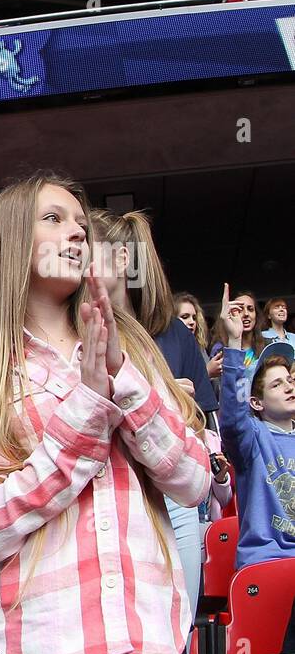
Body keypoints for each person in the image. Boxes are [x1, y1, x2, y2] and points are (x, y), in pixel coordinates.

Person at [0, 172, 210, 654]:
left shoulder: (137, 349)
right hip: (33, 628)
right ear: (13, 241)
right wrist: (88, 408)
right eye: (53, 218)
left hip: (142, 621)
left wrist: (118, 374)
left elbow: (194, 480)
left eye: (80, 223)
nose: (75, 231)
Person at [89, 208, 213, 628]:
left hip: (173, 499)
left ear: (122, 260)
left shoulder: (172, 333)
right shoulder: (77, 330)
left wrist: (172, 401)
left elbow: (203, 428)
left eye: (88, 249)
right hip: (108, 496)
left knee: (177, 627)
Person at [216, 291, 295, 654]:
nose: (290, 388)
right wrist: (235, 344)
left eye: (294, 380)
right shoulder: (252, 439)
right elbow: (231, 420)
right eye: (279, 383)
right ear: (256, 398)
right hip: (269, 569)